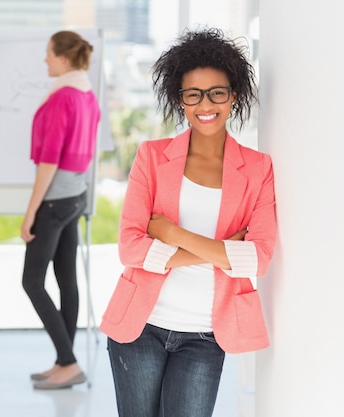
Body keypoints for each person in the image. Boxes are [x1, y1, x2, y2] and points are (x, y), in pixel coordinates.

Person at [99, 28, 277, 416]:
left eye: (217, 92)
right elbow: (130, 247)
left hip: (206, 334)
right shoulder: (151, 157)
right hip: (140, 327)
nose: (205, 104)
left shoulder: (258, 169)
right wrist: (223, 250)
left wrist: (170, 233)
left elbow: (258, 259)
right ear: (180, 101)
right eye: (192, 94)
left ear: (234, 95)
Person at [21, 30, 101, 390]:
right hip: (76, 197)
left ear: (64, 59)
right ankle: (63, 361)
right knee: (66, 279)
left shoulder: (61, 99)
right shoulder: (88, 96)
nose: (45, 60)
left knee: (32, 281)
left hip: (54, 201)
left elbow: (49, 161)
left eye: (49, 54)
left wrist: (30, 212)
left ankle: (68, 362)